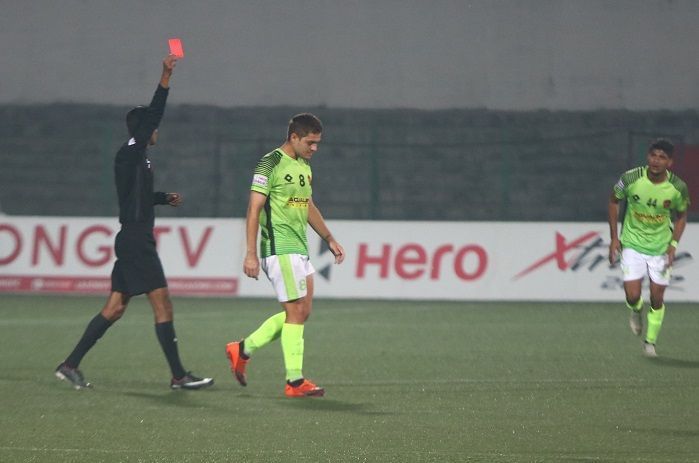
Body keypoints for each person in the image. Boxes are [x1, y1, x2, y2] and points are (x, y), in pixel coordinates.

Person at [54, 55, 213, 390]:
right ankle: (179, 376)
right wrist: (165, 77)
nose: (156, 131)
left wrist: (162, 197)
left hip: (132, 239)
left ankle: (69, 365)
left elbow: (135, 197)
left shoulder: (137, 159)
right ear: (144, 129)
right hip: (137, 242)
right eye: (152, 127)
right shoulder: (130, 151)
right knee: (163, 302)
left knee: (114, 309)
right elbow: (155, 111)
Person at [225, 113, 345, 398]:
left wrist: (328, 237)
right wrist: (250, 254)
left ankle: (242, 349)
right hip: (278, 249)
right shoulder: (270, 163)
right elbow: (254, 209)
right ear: (294, 137)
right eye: (310, 143)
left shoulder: (304, 166)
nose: (314, 149)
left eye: (317, 143)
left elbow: (307, 205)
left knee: (302, 313)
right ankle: (294, 381)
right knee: (295, 313)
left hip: (299, 249)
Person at [608, 138, 690, 357]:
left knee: (657, 298)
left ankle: (650, 342)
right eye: (653, 155)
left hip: (660, 248)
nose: (656, 160)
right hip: (632, 243)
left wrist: (673, 244)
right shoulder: (630, 178)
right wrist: (614, 238)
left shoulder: (677, 187)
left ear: (670, 162)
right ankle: (636, 311)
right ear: (648, 157)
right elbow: (614, 201)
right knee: (633, 295)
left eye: (662, 157)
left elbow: (682, 216)